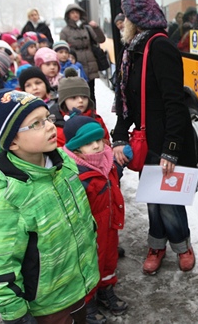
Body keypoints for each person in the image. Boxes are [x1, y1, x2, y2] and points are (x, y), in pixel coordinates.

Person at [0, 88, 99, 324]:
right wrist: (16, 315)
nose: (51, 126)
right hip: (46, 304)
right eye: (36, 124)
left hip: (78, 283)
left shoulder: (63, 165)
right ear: (12, 141)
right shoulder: (8, 198)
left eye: (48, 118)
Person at [112, 0, 198, 275]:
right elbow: (124, 100)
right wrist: (120, 136)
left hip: (166, 138)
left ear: (137, 20)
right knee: (153, 201)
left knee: (170, 203)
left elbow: (176, 103)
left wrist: (171, 148)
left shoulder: (160, 48)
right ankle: (156, 246)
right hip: (148, 139)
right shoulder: (132, 51)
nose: (122, 22)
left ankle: (182, 246)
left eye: (126, 16)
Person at [63, 113, 129, 322]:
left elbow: (114, 175)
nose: (96, 146)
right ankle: (88, 303)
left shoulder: (106, 160)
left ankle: (106, 289)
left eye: (98, 140)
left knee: (109, 260)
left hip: (109, 224)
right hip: (89, 232)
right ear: (76, 149)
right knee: (90, 266)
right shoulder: (75, 174)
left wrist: (124, 161)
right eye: (88, 143)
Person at [50, 68, 110, 147]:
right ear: (63, 101)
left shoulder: (96, 119)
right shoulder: (58, 126)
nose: (80, 100)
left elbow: (107, 143)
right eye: (74, 98)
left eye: (84, 97)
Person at [60, 3, 106, 103]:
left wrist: (96, 28)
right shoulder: (64, 31)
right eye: (72, 13)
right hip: (76, 64)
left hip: (90, 62)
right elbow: (63, 48)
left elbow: (101, 39)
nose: (75, 14)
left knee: (91, 93)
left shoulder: (87, 28)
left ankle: (93, 114)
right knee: (79, 92)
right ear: (68, 15)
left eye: (77, 12)